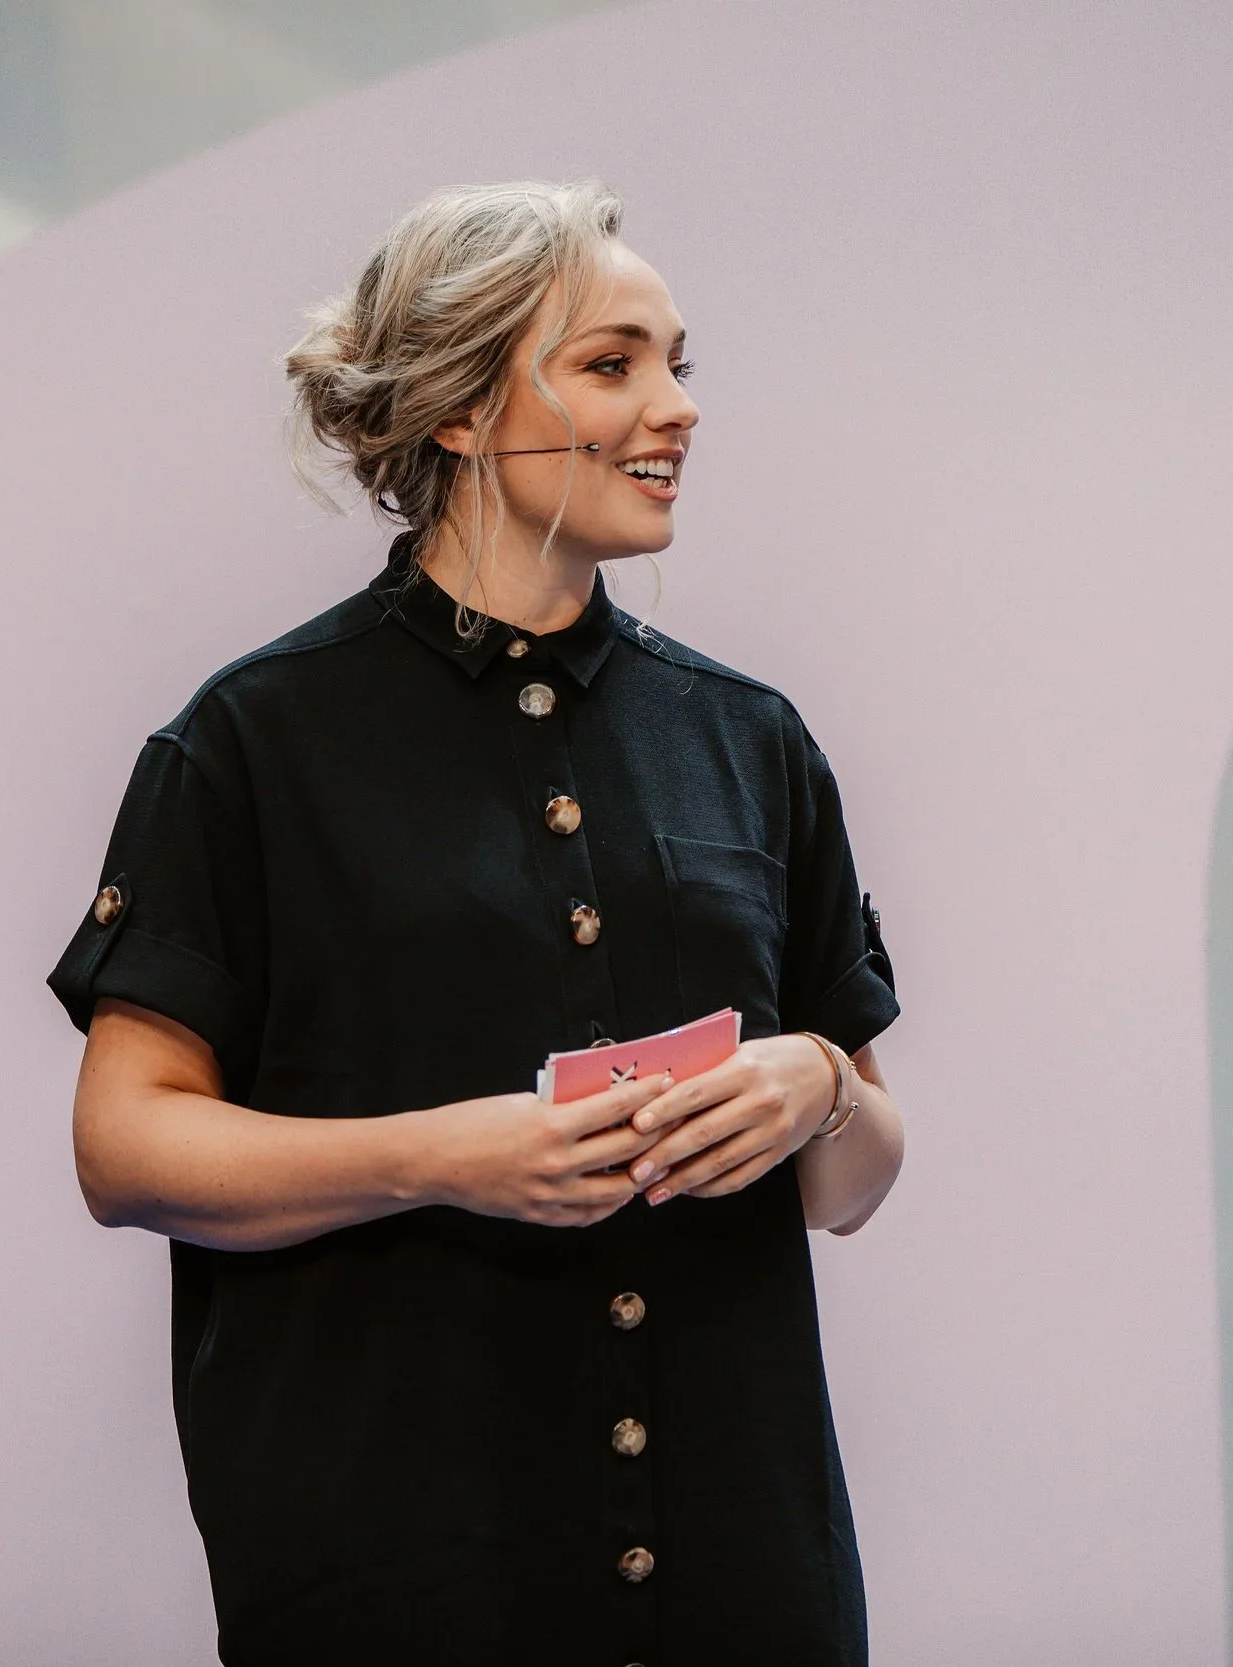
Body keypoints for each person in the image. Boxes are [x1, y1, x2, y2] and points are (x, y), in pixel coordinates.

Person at [46, 178, 907, 1667]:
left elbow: (854, 1184)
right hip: (403, 1590)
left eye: (678, 364)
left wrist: (819, 1084)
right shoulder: (252, 745)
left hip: (745, 1592)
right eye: (611, 361)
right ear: (457, 409)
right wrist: (440, 1156)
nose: (676, 407)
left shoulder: (752, 739)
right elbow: (124, 1148)